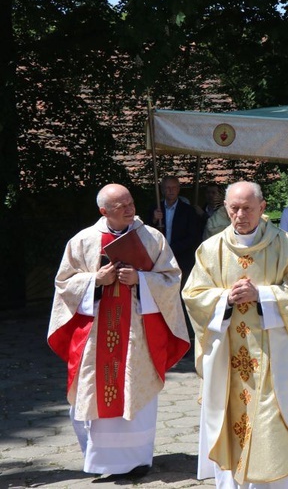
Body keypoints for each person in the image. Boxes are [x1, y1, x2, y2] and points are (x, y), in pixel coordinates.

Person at [182, 181, 288, 488]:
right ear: (226, 209)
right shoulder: (211, 250)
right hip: (229, 361)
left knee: (272, 427)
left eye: (247, 208)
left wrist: (262, 295)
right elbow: (193, 295)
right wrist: (223, 299)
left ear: (262, 208)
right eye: (234, 208)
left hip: (274, 362)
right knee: (232, 424)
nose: (240, 215)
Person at [47, 183, 190, 480]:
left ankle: (139, 460)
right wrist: (94, 281)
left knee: (136, 389)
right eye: (120, 206)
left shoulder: (152, 238)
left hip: (138, 333)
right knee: (95, 393)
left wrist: (140, 279)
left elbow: (172, 279)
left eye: (130, 202)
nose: (129, 209)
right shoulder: (83, 241)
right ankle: (102, 462)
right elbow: (64, 285)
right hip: (97, 332)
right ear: (103, 211)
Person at [147, 176, 202, 284]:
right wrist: (153, 220)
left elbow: (192, 237)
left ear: (178, 189)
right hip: (159, 258)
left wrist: (171, 249)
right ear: (162, 190)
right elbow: (146, 233)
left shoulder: (188, 211)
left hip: (182, 258)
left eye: (173, 187)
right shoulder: (155, 209)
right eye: (167, 188)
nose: (171, 190)